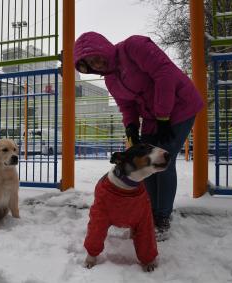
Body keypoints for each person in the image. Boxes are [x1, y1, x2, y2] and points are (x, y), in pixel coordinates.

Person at [74, 32, 203, 239]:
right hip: (154, 117)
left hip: (180, 106)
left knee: (163, 159)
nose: (96, 64)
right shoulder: (110, 80)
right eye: (89, 63)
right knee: (145, 163)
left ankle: (162, 217)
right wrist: (131, 126)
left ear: (104, 47)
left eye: (96, 56)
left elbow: (164, 74)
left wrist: (163, 116)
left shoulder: (134, 46)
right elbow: (127, 106)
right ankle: (150, 210)